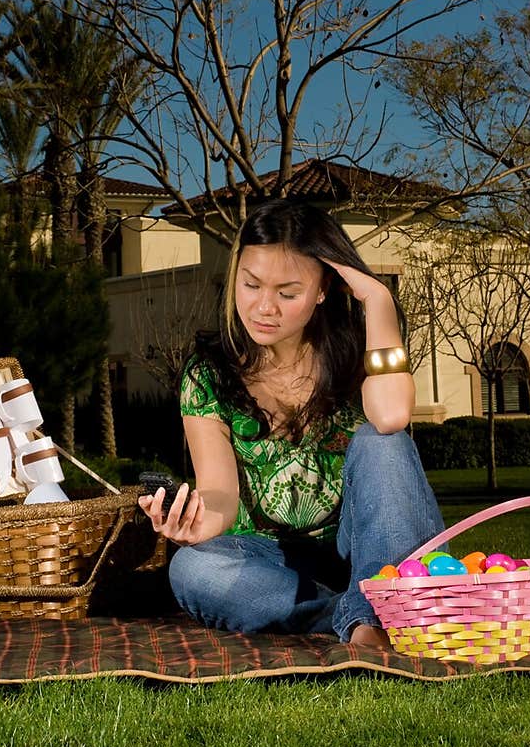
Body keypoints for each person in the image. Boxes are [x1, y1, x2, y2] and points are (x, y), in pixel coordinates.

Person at [138, 197, 444, 650]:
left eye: (287, 293)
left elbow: (393, 417)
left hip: (366, 547)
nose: (264, 307)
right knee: (192, 569)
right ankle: (363, 620)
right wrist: (201, 525)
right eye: (251, 285)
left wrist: (378, 300)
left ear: (323, 290)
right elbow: (220, 490)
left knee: (383, 441)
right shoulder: (209, 375)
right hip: (269, 561)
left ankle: (372, 609)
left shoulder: (359, 352)